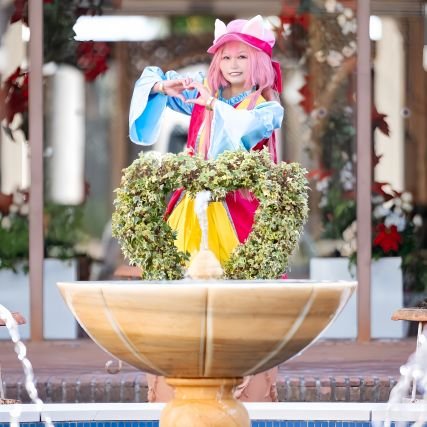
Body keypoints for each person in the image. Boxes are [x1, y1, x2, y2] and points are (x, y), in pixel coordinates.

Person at [128, 15, 284, 403]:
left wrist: (210, 102)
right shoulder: (205, 95)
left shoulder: (267, 108)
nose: (233, 64)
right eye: (226, 57)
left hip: (239, 212)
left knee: (239, 293)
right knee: (179, 292)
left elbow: (242, 130)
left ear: (258, 62)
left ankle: (241, 381)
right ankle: (184, 373)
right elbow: (154, 88)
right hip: (191, 207)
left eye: (242, 57)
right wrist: (164, 87)